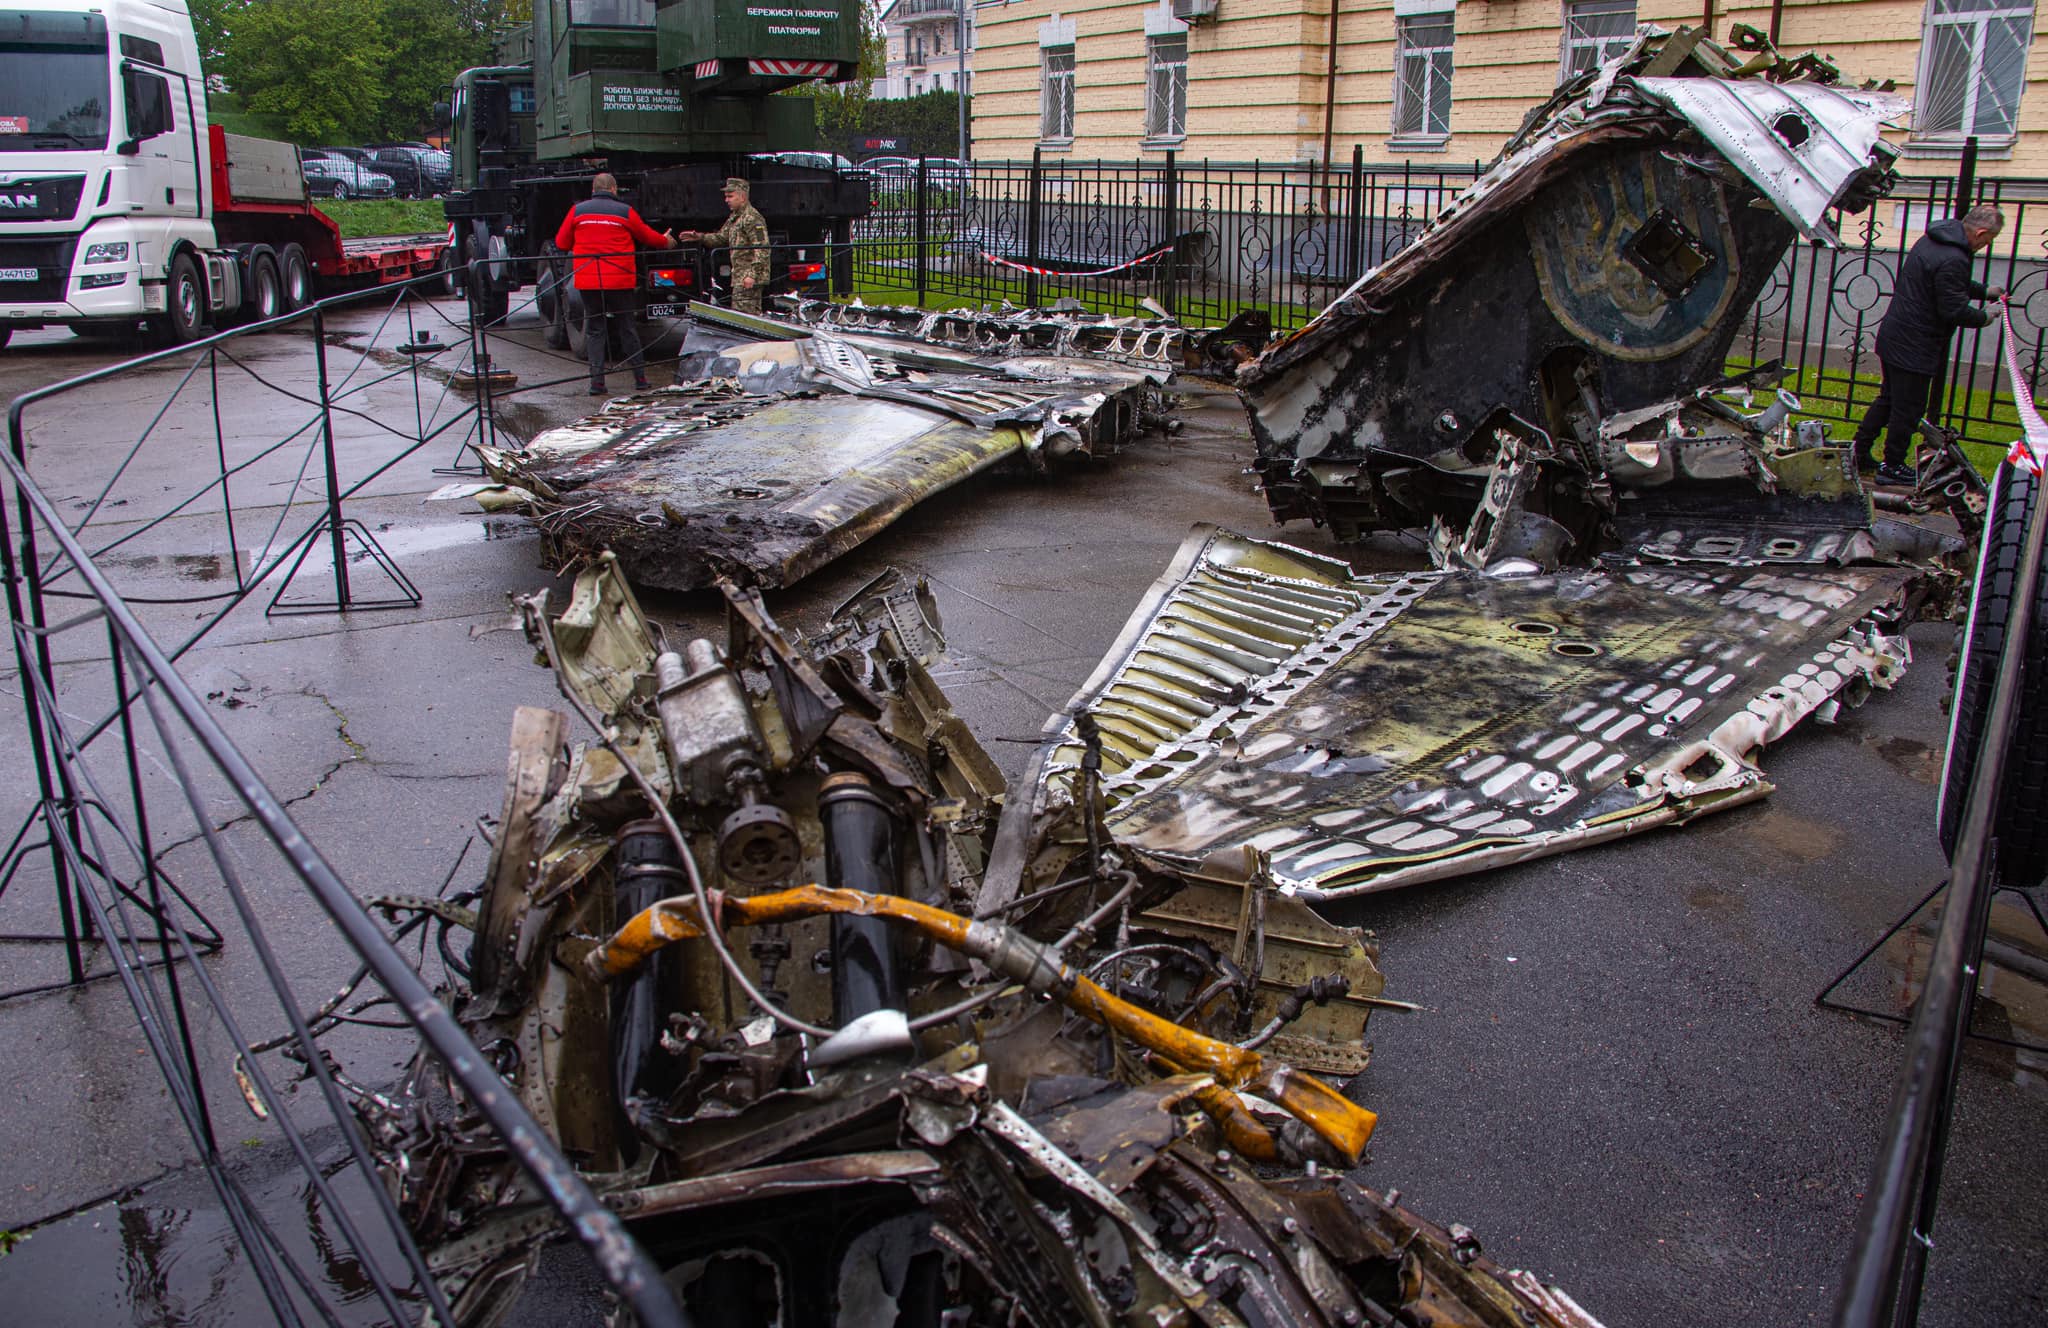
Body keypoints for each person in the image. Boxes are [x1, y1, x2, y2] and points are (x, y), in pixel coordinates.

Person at [1852, 204, 2006, 485]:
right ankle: (1892, 466)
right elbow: (1953, 309)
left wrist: (1983, 291)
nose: (1985, 246)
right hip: (1916, 343)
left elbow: (1947, 282)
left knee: (1888, 400)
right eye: (1988, 241)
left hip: (1896, 334)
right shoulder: (1955, 257)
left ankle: (1857, 454)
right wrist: (1986, 316)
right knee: (1908, 408)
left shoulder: (1935, 239)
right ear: (1981, 232)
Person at [554, 173, 676, 395]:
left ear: (593, 189)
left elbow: (561, 242)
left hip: (589, 281)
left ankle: (597, 384)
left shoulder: (578, 211)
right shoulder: (624, 212)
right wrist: (665, 240)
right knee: (627, 328)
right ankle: (640, 380)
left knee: (595, 330)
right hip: (619, 280)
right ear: (613, 189)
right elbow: (648, 237)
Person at [679, 178, 771, 315]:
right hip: (740, 276)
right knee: (746, 316)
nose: (726, 200)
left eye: (730, 196)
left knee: (744, 317)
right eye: (726, 196)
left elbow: (763, 248)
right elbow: (721, 238)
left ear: (743, 197)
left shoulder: (752, 218)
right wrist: (700, 237)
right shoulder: (735, 217)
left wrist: (752, 275)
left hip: (748, 277)